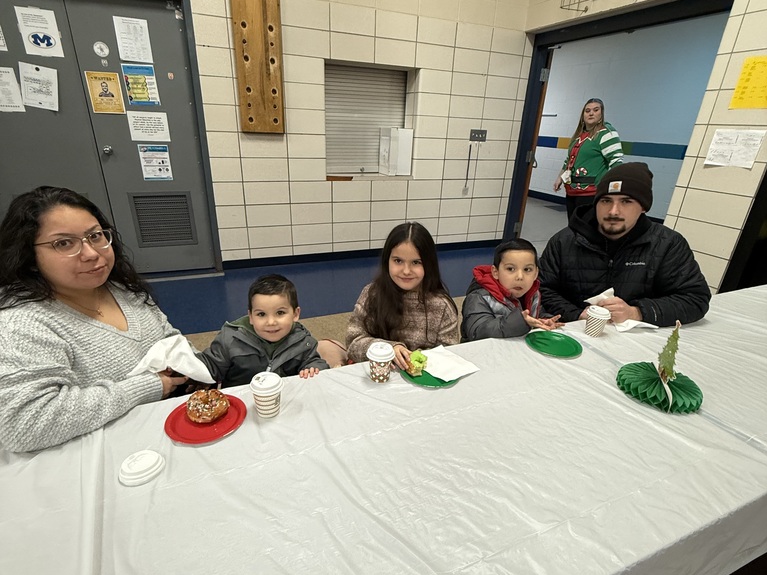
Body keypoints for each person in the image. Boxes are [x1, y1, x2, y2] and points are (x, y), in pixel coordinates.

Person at [0, 186, 187, 453]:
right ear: (29, 257)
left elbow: (168, 337)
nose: (91, 253)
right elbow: (23, 426)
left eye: (95, 236)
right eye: (64, 243)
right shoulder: (20, 324)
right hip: (100, 456)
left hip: (163, 431)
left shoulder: (120, 288)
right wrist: (148, 386)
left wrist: (193, 363)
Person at [539, 162, 711, 326]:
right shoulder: (565, 241)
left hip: (639, 339)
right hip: (577, 332)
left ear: (643, 207)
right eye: (606, 200)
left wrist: (636, 312)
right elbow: (542, 289)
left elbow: (695, 299)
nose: (613, 211)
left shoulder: (668, 245)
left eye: (626, 201)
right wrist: (576, 314)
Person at [346, 221, 459, 369]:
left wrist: (413, 360)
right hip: (377, 377)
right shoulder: (372, 294)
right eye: (398, 261)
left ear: (429, 264)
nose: (406, 271)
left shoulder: (441, 306)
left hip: (422, 383)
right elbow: (353, 342)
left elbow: (449, 354)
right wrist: (388, 349)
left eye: (416, 262)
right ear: (387, 261)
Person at [198, 273, 329, 386]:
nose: (271, 322)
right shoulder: (231, 339)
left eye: (280, 313)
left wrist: (313, 368)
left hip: (283, 401)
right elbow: (209, 366)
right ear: (250, 317)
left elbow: (314, 362)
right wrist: (190, 372)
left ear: (295, 314)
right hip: (239, 404)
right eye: (261, 314)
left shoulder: (303, 342)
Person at [461, 238, 563, 340]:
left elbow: (536, 314)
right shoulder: (479, 297)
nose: (520, 276)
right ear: (495, 272)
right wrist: (521, 321)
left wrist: (543, 320)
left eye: (527, 269)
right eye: (510, 269)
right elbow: (477, 332)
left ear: (536, 273)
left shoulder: (534, 293)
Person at [553, 97, 624, 219]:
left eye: (596, 110)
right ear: (583, 115)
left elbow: (616, 161)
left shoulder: (606, 133)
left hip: (591, 193)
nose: (591, 113)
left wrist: (613, 190)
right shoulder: (578, 135)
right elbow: (568, 160)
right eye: (587, 111)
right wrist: (560, 177)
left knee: (586, 230)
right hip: (572, 191)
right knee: (573, 227)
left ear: (601, 113)